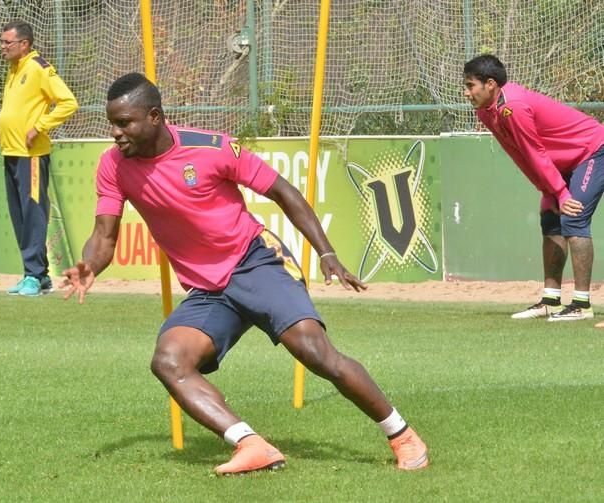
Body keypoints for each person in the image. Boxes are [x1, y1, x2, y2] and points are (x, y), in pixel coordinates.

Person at [61, 73, 429, 474]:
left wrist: (326, 252)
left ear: (154, 116)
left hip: (256, 261)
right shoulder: (113, 165)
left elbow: (283, 192)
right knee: (169, 360)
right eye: (111, 123)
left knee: (315, 352)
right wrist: (90, 266)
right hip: (208, 289)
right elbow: (104, 234)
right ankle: (252, 445)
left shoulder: (212, 147)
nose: (115, 133)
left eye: (124, 122)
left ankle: (403, 435)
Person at [463, 54, 604, 323]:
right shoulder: (486, 112)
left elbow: (534, 151)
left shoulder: (513, 107)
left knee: (573, 216)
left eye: (471, 85)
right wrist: (547, 190)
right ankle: (551, 300)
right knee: (550, 219)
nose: (466, 92)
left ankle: (582, 304)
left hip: (592, 150)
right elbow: (519, 154)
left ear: (490, 84)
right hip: (563, 161)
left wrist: (561, 193)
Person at [0, 20, 78, 296]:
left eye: (7, 42)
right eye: (2, 41)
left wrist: (40, 127)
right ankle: (37, 276)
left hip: (31, 156)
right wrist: (1, 131)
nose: (3, 47)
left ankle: (33, 275)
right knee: (20, 217)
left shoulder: (38, 67)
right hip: (11, 151)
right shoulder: (13, 68)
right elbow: (16, 109)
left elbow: (68, 102)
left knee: (33, 215)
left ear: (24, 44)